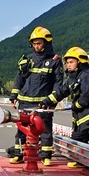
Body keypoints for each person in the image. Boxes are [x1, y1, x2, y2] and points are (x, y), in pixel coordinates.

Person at [41, 47, 89, 170]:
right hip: (82, 120)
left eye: (71, 62)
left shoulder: (86, 75)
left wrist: (76, 105)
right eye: (67, 62)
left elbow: (88, 94)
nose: (68, 65)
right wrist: (47, 101)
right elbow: (61, 92)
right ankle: (81, 161)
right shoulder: (72, 78)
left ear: (80, 62)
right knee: (77, 143)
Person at [7, 26, 63, 166]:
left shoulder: (55, 61)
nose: (36, 46)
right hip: (24, 102)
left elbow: (58, 83)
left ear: (47, 43)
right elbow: (19, 79)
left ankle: (45, 156)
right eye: (34, 43)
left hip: (42, 104)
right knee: (21, 131)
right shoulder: (27, 59)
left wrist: (52, 99)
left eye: (39, 43)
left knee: (45, 130)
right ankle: (18, 154)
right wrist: (14, 96)